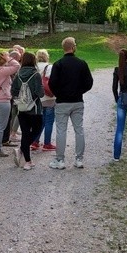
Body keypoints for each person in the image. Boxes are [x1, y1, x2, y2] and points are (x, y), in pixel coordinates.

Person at [48, 36, 93, 170]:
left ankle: (60, 160)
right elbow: (89, 83)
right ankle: (79, 159)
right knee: (79, 129)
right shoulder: (82, 63)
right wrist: (80, 91)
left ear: (63, 48)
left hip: (62, 102)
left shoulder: (58, 64)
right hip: (77, 101)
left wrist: (59, 93)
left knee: (61, 130)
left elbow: (52, 83)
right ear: (74, 47)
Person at [10, 52, 44, 170]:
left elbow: (13, 90)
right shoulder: (36, 75)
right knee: (37, 130)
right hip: (34, 109)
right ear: (33, 61)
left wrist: (19, 99)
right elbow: (40, 93)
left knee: (25, 133)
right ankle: (23, 152)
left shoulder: (18, 74)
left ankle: (27, 159)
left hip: (21, 109)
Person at [34, 49, 56, 152]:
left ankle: (35, 141)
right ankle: (47, 143)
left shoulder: (34, 67)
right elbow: (52, 81)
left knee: (39, 121)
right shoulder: (49, 67)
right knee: (49, 121)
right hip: (49, 98)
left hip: (38, 98)